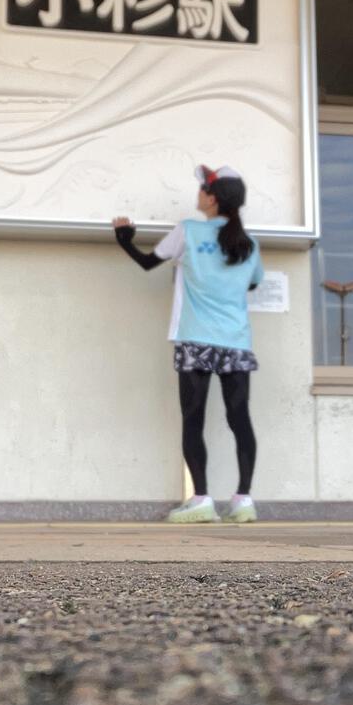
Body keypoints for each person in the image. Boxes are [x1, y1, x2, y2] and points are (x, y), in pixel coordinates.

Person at [112, 165, 263, 524]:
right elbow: (253, 284)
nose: (197, 193)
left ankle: (201, 500)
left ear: (211, 198)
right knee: (239, 419)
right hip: (236, 340)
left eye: (201, 188)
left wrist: (124, 240)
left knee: (193, 420)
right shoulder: (248, 243)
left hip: (196, 338)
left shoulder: (190, 231)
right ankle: (243, 500)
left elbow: (150, 263)